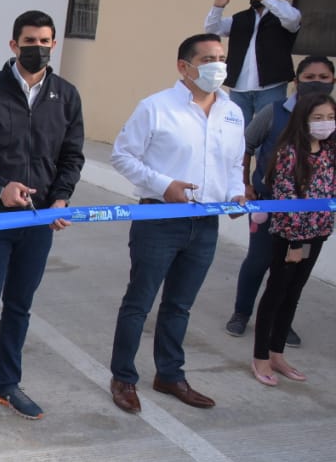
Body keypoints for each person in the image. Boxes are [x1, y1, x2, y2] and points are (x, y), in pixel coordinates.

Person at [0, 10, 84, 430]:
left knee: (20, 306)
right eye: (30, 41)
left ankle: (7, 384)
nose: (38, 48)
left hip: (39, 222)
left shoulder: (66, 96)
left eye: (45, 41)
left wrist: (60, 198)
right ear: (14, 45)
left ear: (53, 44)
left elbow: (72, 155)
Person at [108, 33, 247, 414]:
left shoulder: (232, 111)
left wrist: (236, 194)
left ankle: (169, 374)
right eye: (208, 60)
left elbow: (234, 163)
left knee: (180, 305)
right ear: (184, 67)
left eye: (222, 58)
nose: (218, 66)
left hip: (205, 223)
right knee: (139, 302)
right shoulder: (155, 107)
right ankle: (123, 377)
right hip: (159, 219)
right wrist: (163, 185)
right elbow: (122, 156)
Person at [225, 55, 334, 346]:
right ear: (297, 81)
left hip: (312, 217)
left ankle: (282, 321)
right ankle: (241, 312)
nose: (317, 83)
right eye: (310, 78)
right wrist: (245, 183)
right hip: (270, 206)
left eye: (324, 78)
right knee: (259, 260)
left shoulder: (330, 120)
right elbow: (245, 145)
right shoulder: (274, 112)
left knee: (292, 271)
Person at [250, 92, 335, 386]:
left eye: (330, 117)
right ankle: (260, 356)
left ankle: (277, 354)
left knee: (294, 293)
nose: (325, 123)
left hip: (319, 232)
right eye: (318, 118)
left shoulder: (330, 151)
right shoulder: (289, 152)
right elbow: (286, 199)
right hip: (290, 236)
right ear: (303, 119)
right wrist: (296, 243)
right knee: (276, 292)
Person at [204, 0, 301, 121]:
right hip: (239, 88)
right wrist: (218, 6)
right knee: (238, 129)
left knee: (270, 127)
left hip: (271, 85)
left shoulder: (284, 15)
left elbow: (292, 20)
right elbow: (211, 29)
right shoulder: (240, 18)